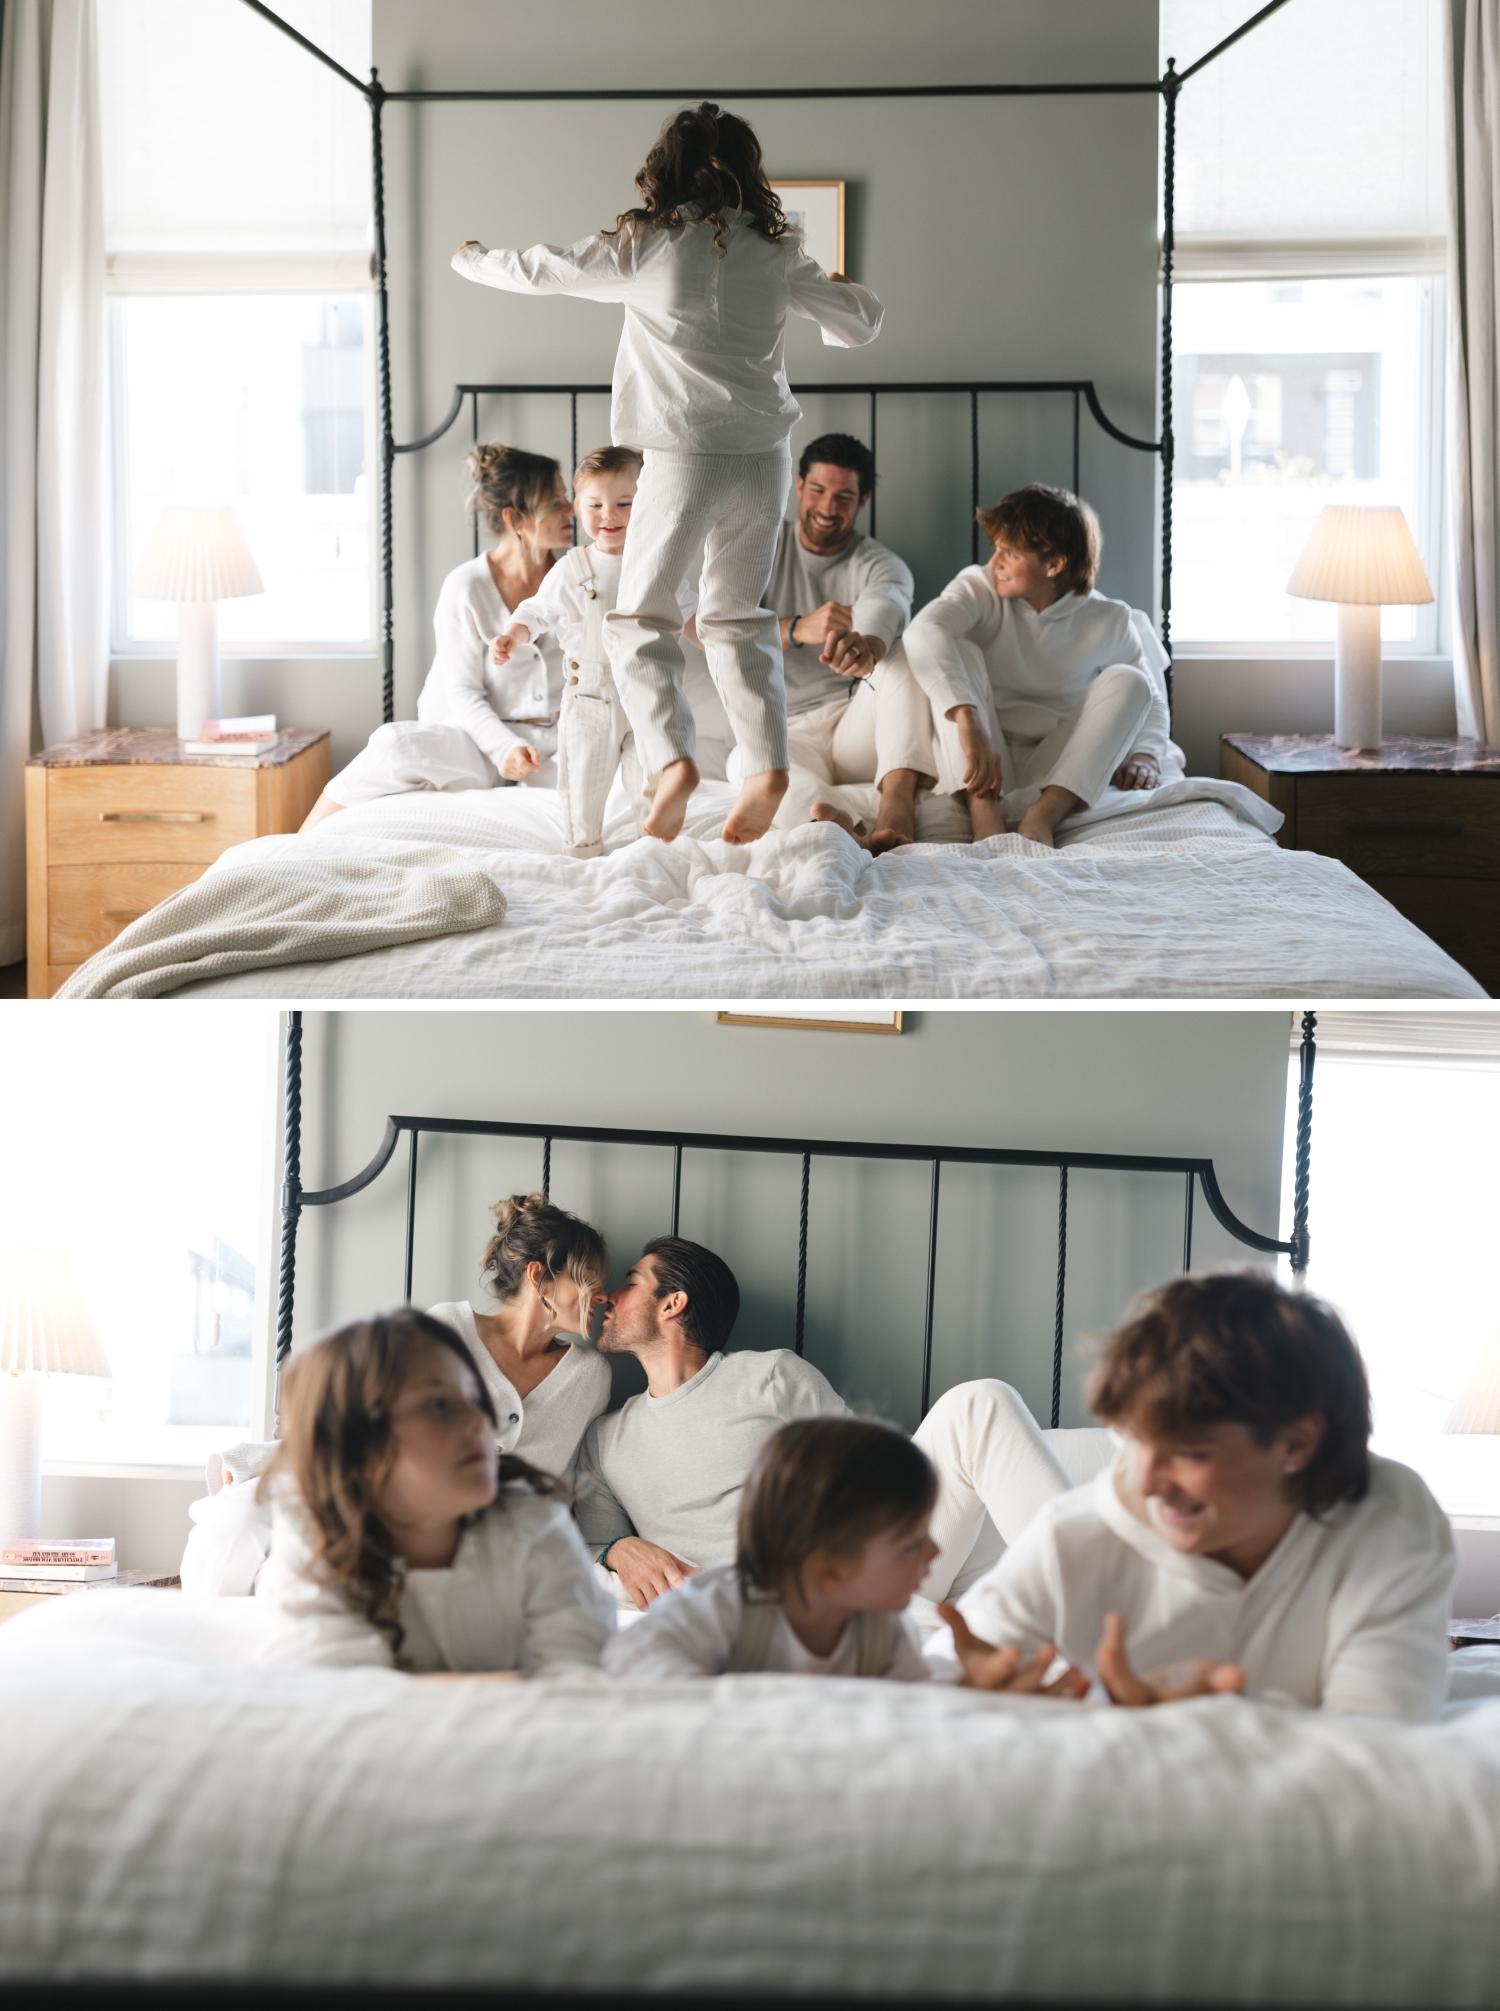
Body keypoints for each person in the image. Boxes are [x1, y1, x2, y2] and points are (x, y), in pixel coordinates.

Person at [453, 102, 884, 847]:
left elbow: (543, 269)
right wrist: (841, 284)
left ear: (665, 172)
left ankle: (672, 761)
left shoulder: (646, 243)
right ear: (749, 174)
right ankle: (766, 768)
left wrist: (471, 257)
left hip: (685, 459)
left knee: (641, 618)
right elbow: (858, 325)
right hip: (765, 463)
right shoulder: (777, 253)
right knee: (735, 619)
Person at [951, 1271, 1457, 1718]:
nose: (1146, 1483)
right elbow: (945, 1672)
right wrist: (974, 1683)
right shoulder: (1072, 1536)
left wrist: (1211, 1724)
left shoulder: (1388, 1520)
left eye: (1188, 1452)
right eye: (1133, 1440)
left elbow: (1382, 1745)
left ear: (1297, 1443)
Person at [572, 1233, 1078, 1612]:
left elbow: (874, 1472)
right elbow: (591, 1546)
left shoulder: (768, 1376)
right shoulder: (605, 1439)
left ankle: (1107, 1597)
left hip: (868, 1560)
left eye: (630, 1282)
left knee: (981, 1402)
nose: (606, 1298)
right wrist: (619, 1549)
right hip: (774, 1606)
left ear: (672, 1302)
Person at [180, 1193, 613, 1596]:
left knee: (301, 1581)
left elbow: (562, 1490)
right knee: (230, 1528)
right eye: (590, 1279)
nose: (605, 1296)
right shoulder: (446, 1329)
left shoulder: (589, 1376)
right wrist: (264, 1462)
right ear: (541, 1278)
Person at [605, 1414, 1087, 1694]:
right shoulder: (723, 1607)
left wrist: (970, 1688)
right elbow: (634, 1664)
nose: (936, 1550)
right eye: (911, 1543)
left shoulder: (882, 1627)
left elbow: (914, 1704)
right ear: (827, 1570)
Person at [254, 1309, 614, 1676]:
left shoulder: (534, 1527)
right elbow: (329, 1685)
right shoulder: (315, 1537)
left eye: (476, 1400)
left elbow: (581, 1669)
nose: (480, 1422)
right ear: (358, 1445)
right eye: (438, 1405)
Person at [299, 445, 573, 831]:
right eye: (557, 500)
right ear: (516, 518)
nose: (572, 509)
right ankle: (300, 838)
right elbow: (462, 692)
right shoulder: (467, 587)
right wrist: (505, 748)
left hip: (559, 748)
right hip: (478, 742)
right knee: (396, 746)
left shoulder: (577, 580)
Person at [902, 483, 1169, 847]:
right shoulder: (980, 587)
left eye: (1009, 553)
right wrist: (967, 717)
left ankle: (1041, 819)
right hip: (984, 755)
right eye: (996, 548)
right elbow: (922, 630)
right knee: (959, 651)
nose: (994, 562)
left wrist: (1146, 754)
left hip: (1058, 767)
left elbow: (1149, 696)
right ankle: (985, 816)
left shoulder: (1110, 620)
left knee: (1132, 680)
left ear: (1054, 564)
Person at [490, 446, 704, 856]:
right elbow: (537, 611)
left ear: (647, 506)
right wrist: (513, 635)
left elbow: (690, 613)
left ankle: (654, 846)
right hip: (590, 696)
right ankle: (582, 846)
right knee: (582, 777)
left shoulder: (658, 564)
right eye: (596, 505)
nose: (610, 515)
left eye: (624, 504)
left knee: (651, 772)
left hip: (649, 692)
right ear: (577, 508)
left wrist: (715, 643)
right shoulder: (572, 568)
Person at [756, 433, 933, 852]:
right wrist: (796, 628)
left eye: (844, 497)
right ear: (799, 486)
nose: (828, 509)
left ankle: (896, 806)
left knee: (908, 649)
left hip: (857, 723)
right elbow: (716, 632)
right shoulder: (760, 548)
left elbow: (885, 603)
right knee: (744, 764)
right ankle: (847, 829)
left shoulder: (879, 563)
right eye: (818, 490)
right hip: (786, 729)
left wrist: (867, 645)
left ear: (863, 500)